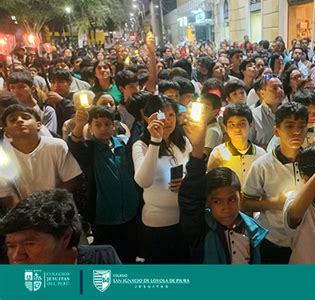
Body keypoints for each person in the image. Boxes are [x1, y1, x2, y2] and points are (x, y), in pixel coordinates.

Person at [178, 116, 268, 264]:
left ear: (240, 197)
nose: (226, 208)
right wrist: (198, 148)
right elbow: (190, 198)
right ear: (208, 202)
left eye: (232, 199)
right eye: (217, 201)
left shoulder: (254, 231)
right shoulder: (201, 229)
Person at [68, 106, 140, 264]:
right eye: (98, 124)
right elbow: (75, 145)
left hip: (130, 213)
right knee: (108, 256)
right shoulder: (90, 148)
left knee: (130, 253)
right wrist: (79, 125)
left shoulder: (122, 145)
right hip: (104, 216)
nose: (103, 128)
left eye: (107, 124)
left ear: (113, 125)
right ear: (91, 127)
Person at [243, 102, 308, 263]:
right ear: (277, 131)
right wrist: (275, 203)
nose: (296, 132)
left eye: (301, 126)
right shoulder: (263, 165)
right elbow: (245, 203)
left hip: (307, 239)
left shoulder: (312, 162)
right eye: (289, 126)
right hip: (274, 240)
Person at [132, 95, 191, 264]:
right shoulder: (141, 145)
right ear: (149, 118)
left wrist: (186, 181)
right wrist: (156, 140)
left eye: (171, 115)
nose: (167, 120)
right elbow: (143, 181)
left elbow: (193, 171)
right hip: (156, 223)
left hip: (184, 219)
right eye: (161, 115)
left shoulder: (182, 142)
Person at [0, 189, 121, 264]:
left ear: (65, 237)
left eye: (30, 244)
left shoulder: (103, 260)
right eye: (11, 246)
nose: (16, 257)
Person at [0, 105, 82, 209]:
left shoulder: (56, 146)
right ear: (6, 130)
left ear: (39, 125)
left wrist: (51, 204)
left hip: (58, 208)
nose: (19, 120)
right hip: (24, 212)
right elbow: (6, 194)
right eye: (12, 120)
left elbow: (70, 179)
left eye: (25, 117)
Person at [208, 104, 265, 185]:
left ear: (250, 125)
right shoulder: (218, 153)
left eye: (242, 124)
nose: (237, 129)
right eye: (232, 125)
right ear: (225, 127)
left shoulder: (260, 154)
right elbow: (211, 182)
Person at [249, 75, 285, 149]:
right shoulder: (253, 116)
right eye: (274, 88)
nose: (280, 90)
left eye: (281, 87)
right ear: (262, 93)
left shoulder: (290, 114)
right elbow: (247, 145)